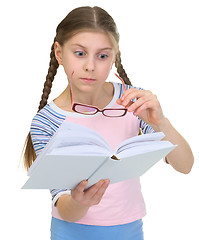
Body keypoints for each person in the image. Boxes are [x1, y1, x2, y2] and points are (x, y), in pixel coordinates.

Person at [23, 6, 194, 240]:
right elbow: (64, 205)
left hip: (129, 230)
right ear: (59, 53)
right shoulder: (47, 121)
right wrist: (79, 201)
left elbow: (185, 166)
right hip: (71, 232)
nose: (90, 66)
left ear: (114, 58)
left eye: (102, 56)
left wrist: (161, 123)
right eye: (80, 53)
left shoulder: (133, 102)